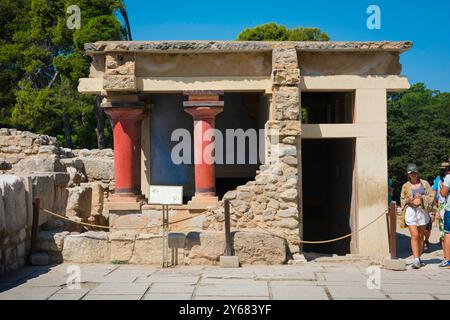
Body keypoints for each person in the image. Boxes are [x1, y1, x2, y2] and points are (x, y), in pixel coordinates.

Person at [400, 163, 435, 269]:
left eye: (415, 172)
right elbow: (402, 199)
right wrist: (407, 200)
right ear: (408, 174)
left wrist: (422, 197)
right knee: (414, 235)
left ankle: (419, 258)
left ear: (418, 173)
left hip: (422, 211)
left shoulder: (425, 184)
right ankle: (415, 259)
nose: (413, 174)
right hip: (411, 211)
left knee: (420, 236)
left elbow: (432, 196)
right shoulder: (405, 185)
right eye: (411, 173)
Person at [433, 162, 449, 260]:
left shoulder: (438, 179)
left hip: (443, 206)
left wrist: (435, 206)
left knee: (444, 232)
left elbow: (435, 193)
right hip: (444, 205)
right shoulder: (439, 179)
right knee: (444, 232)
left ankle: (446, 256)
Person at [439, 162, 450, 269]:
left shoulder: (448, 177)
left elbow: (443, 193)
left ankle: (448, 260)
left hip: (449, 209)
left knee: (448, 234)